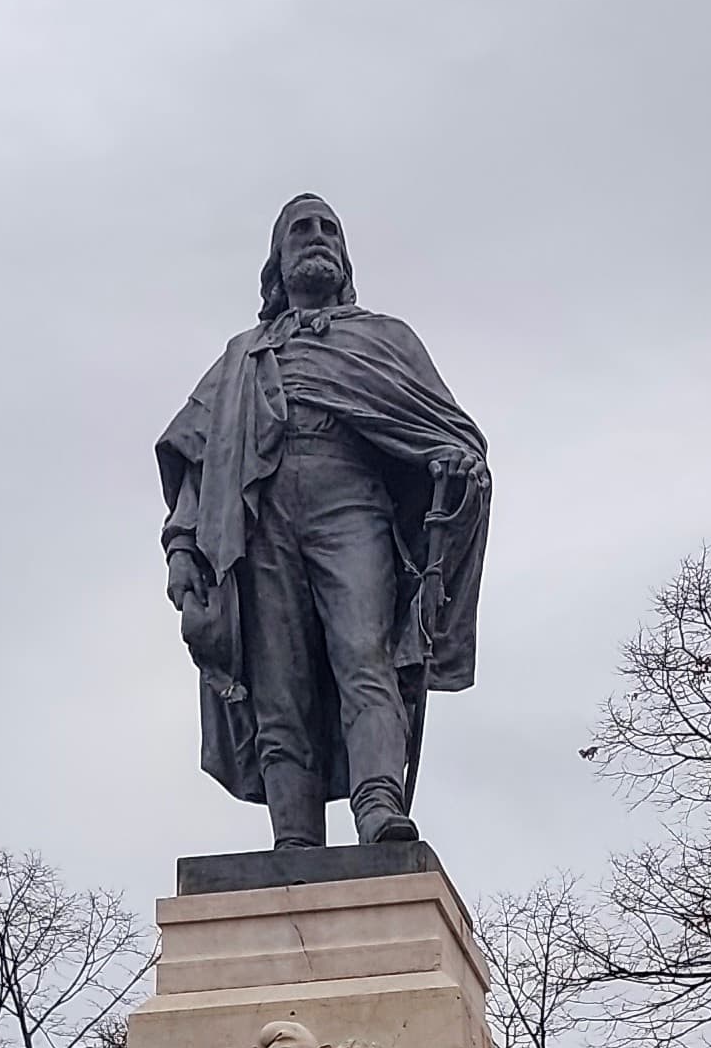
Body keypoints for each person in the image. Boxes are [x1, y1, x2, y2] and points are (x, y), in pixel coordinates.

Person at [157, 196, 490, 851]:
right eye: (300, 230)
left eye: (328, 229)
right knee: (278, 686)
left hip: (350, 501)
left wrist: (455, 461)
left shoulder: (384, 338)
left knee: (364, 657)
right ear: (277, 263)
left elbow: (446, 430)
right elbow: (201, 456)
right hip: (259, 515)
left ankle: (378, 807)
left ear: (343, 257)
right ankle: (294, 839)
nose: (317, 237)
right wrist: (181, 548)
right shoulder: (241, 356)